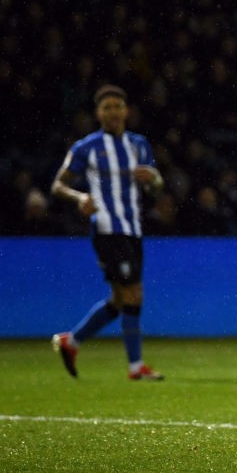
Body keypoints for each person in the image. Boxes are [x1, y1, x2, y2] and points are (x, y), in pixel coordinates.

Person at [50, 84, 165, 380]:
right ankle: (135, 367)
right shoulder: (86, 147)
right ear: (98, 113)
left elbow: (157, 185)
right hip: (106, 229)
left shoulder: (139, 144)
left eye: (118, 106)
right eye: (107, 107)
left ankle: (71, 341)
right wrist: (80, 198)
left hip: (133, 229)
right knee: (133, 293)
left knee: (119, 299)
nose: (113, 112)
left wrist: (152, 178)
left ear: (126, 111)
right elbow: (58, 185)